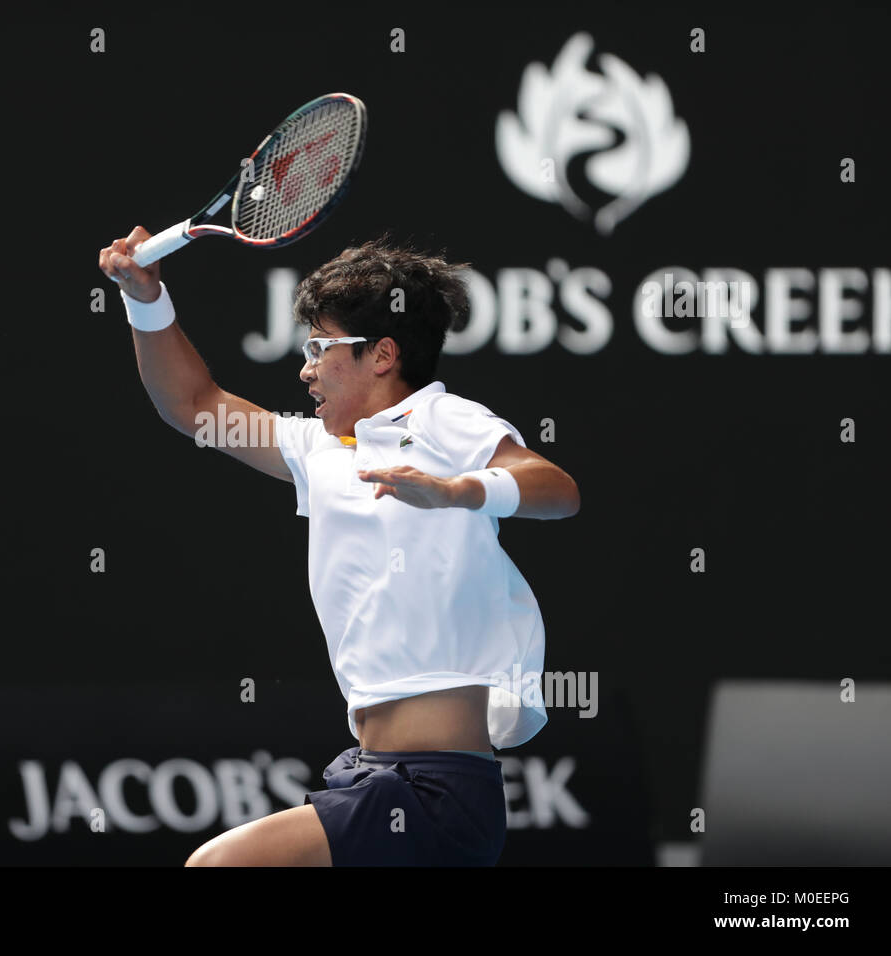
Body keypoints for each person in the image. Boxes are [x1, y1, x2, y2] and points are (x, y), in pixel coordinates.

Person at [98, 227, 580, 866]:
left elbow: (557, 489)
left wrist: (457, 490)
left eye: (320, 348)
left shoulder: (440, 420)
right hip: (370, 769)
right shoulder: (316, 450)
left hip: (436, 789)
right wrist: (144, 299)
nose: (305, 368)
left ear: (382, 355)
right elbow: (192, 404)